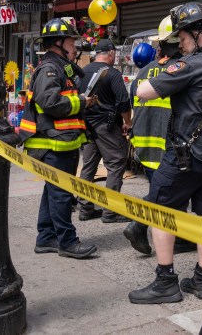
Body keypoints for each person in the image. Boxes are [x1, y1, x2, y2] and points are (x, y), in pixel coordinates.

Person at [129, 2, 202, 305]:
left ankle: (166, 281)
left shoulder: (191, 63)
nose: (179, 41)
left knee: (160, 212)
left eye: (181, 35)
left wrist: (168, 67)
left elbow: (143, 91)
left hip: (186, 156)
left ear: (194, 33)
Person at [18, 18, 98, 259]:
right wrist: (82, 102)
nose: (75, 45)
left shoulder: (61, 67)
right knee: (62, 193)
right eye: (72, 40)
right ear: (59, 42)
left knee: (53, 191)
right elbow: (50, 102)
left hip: (61, 141)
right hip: (53, 143)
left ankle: (46, 238)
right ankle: (67, 241)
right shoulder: (50, 69)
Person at [124, 16, 181, 256]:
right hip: (169, 146)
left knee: (168, 192)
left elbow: (132, 105)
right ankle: (139, 225)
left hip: (145, 147)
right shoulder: (180, 71)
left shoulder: (146, 71)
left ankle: (179, 237)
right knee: (166, 193)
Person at [76, 39, 132, 224]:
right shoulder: (113, 74)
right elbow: (123, 102)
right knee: (116, 163)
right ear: (110, 53)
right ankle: (110, 212)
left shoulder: (82, 72)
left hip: (88, 126)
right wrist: (128, 122)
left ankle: (84, 208)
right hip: (107, 127)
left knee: (89, 166)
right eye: (114, 53)